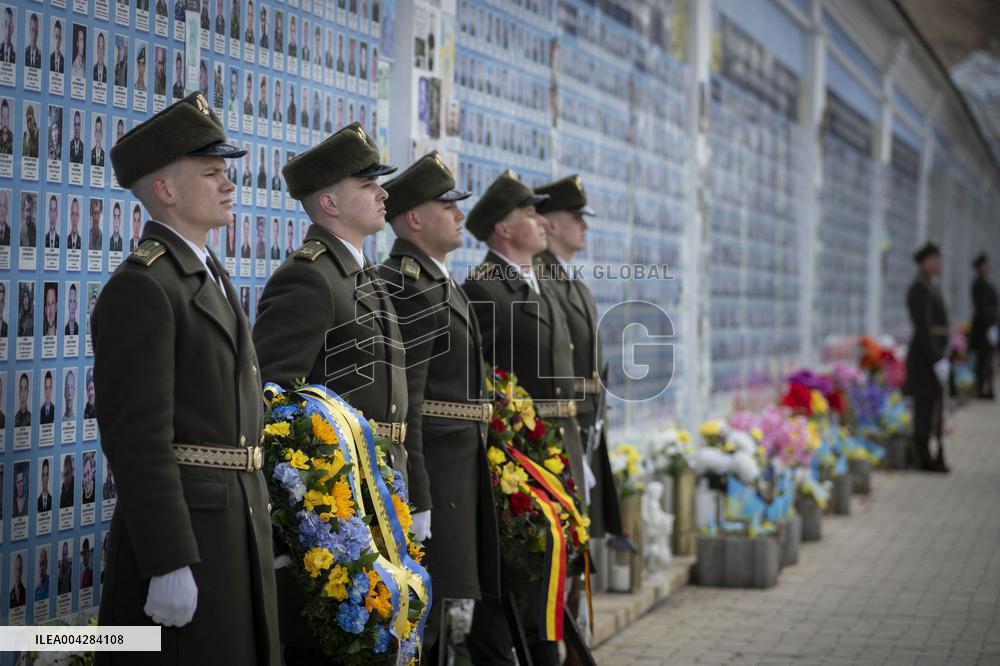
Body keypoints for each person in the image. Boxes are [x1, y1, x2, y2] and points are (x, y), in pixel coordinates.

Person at [96, 92, 278, 664]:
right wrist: (168, 559)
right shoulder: (145, 287)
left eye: (226, 172)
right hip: (191, 540)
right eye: (211, 173)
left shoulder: (207, 275)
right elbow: (137, 439)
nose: (229, 185)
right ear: (166, 191)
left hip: (234, 526)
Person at [252, 122, 404, 665]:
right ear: (329, 202)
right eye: (368, 184)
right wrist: (300, 516)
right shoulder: (310, 279)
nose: (383, 193)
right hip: (332, 517)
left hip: (377, 501)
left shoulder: (364, 276)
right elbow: (272, 404)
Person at [377, 152, 500, 663]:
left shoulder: (439, 279)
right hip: (436, 472)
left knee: (440, 608)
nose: (459, 215)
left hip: (457, 466)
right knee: (421, 616)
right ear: (414, 219)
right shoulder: (408, 284)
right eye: (446, 205)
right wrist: (419, 495)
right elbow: (411, 403)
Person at [462, 170, 583, 666]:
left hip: (552, 454)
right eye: (529, 214)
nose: (541, 222)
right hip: (515, 462)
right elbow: (482, 380)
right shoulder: (485, 290)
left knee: (544, 584)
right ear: (503, 229)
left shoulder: (542, 286)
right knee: (512, 586)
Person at [906, 241, 950, 473]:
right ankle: (923, 457)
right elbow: (924, 328)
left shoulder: (929, 286)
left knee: (931, 406)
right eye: (936, 260)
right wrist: (936, 358)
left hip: (931, 357)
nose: (939, 264)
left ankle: (927, 455)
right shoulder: (920, 289)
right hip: (924, 359)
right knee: (923, 408)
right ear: (926, 262)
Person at [970, 253, 998, 400]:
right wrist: (990, 327)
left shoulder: (985, 283)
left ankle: (986, 388)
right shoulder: (979, 284)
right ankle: (981, 389)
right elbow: (983, 308)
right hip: (983, 329)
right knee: (983, 360)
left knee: (988, 360)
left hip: (988, 327)